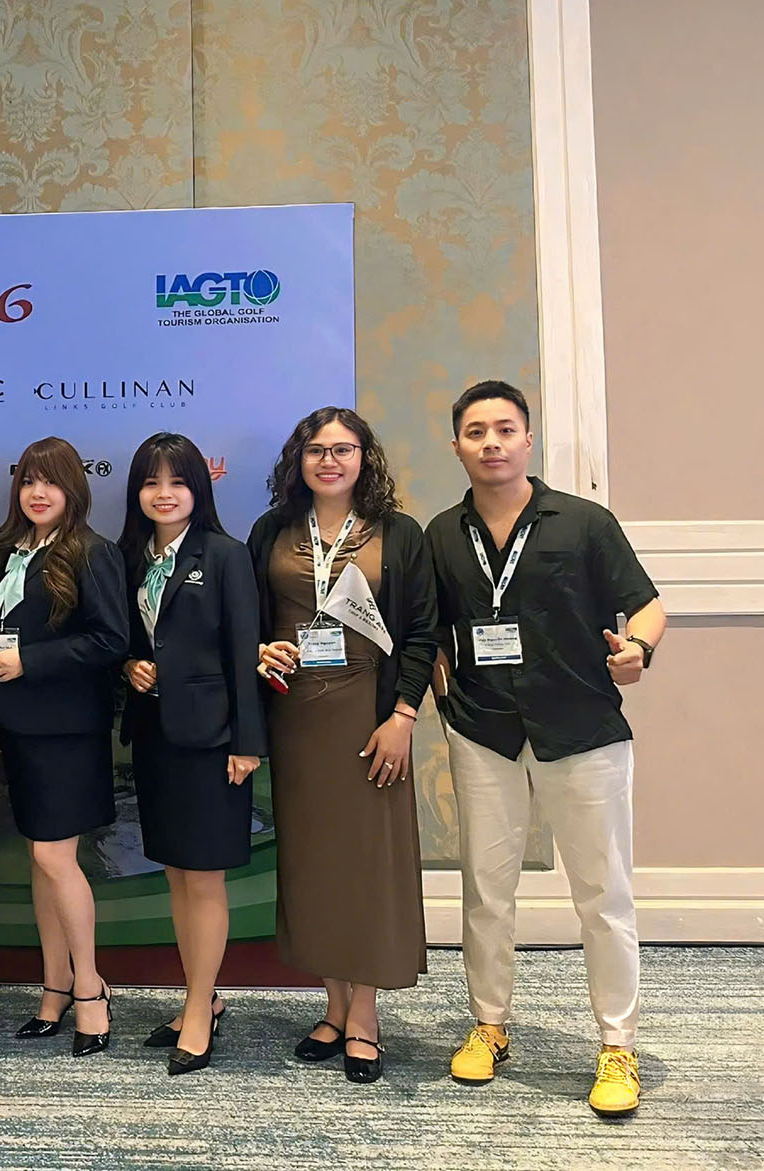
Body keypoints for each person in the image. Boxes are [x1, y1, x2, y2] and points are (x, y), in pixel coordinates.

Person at [429, 380, 665, 1118]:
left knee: (603, 894)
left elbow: (648, 605)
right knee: (485, 890)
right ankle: (489, 1025)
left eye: (505, 429)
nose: (491, 443)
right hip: (485, 731)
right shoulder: (442, 534)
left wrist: (638, 650)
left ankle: (617, 1044)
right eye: (476, 432)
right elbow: (429, 624)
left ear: (527, 440)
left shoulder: (584, 522)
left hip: (580, 728)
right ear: (457, 446)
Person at [248, 406, 436, 1084]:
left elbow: (423, 632)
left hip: (370, 716)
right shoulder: (272, 530)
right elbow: (247, 618)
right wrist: (259, 649)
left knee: (367, 864)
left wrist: (403, 716)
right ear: (298, 460)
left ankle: (364, 1014)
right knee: (314, 864)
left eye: (343, 449)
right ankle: (331, 1006)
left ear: (364, 458)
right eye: (316, 450)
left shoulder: (399, 533)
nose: (329, 461)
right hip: (297, 718)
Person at [116, 433, 265, 1075]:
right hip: (155, 736)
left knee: (204, 879)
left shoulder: (226, 555)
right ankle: (200, 995)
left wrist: (248, 742)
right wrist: (128, 666)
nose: (164, 494)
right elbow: (124, 638)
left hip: (214, 741)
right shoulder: (129, 556)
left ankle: (200, 1008)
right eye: (152, 482)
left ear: (198, 489)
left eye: (177, 482)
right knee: (176, 875)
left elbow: (244, 650)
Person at [0, 437, 130, 1057]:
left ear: (74, 488)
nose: (37, 493)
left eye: (51, 481)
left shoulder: (93, 552)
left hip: (67, 731)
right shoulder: (3, 550)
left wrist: (31, 661)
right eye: (28, 481)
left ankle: (91, 990)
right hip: (15, 726)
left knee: (54, 858)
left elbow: (111, 640)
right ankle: (55, 987)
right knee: (39, 861)